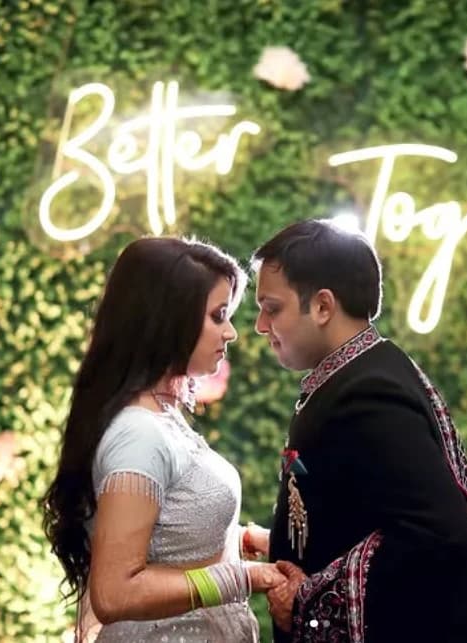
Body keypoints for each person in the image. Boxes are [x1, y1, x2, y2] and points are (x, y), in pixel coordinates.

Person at [252, 219, 467, 643]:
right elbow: (354, 511)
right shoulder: (358, 374)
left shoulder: (370, 391)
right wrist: (272, 543)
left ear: (323, 306)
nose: (261, 325)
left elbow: (439, 532)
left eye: (272, 308)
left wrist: (309, 600)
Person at [42, 237, 286, 642]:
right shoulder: (138, 434)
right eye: (218, 316)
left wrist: (244, 539)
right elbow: (115, 592)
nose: (231, 333)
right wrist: (244, 578)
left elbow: (168, 532)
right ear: (169, 319)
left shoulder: (160, 416)